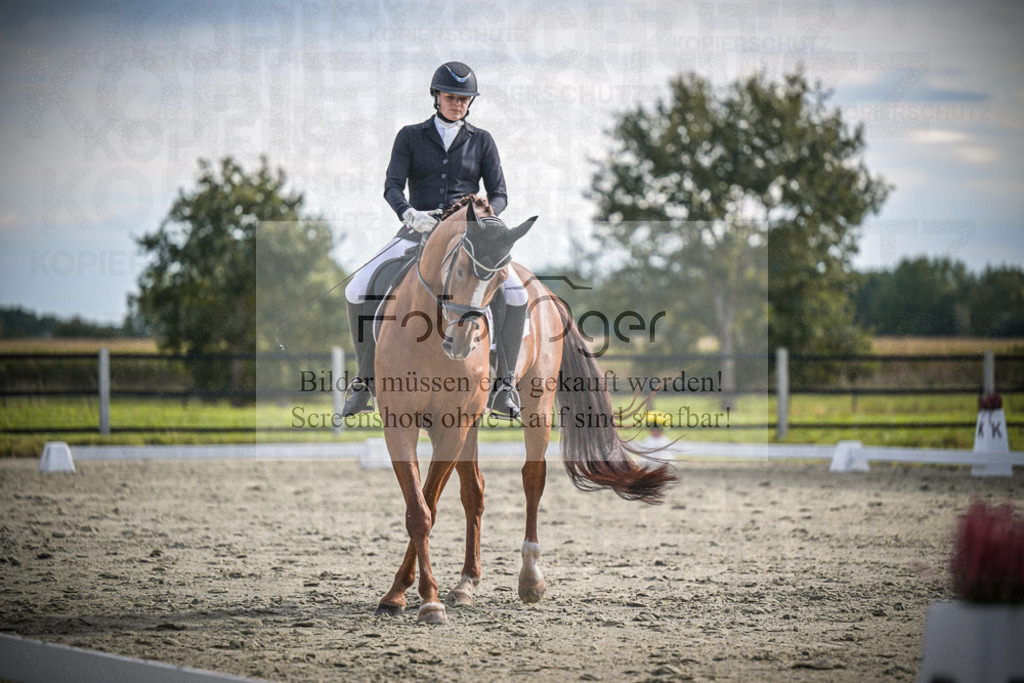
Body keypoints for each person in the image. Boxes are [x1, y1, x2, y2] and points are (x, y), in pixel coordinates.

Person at [342, 61, 527, 420]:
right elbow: (392, 186)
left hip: (468, 236)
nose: (457, 104)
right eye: (451, 97)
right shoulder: (410, 136)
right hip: (417, 230)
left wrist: (485, 219)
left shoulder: (482, 140)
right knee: (357, 287)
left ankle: (504, 384)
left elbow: (500, 194)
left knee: (516, 292)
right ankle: (364, 381)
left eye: (464, 99)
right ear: (436, 97)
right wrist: (409, 214)